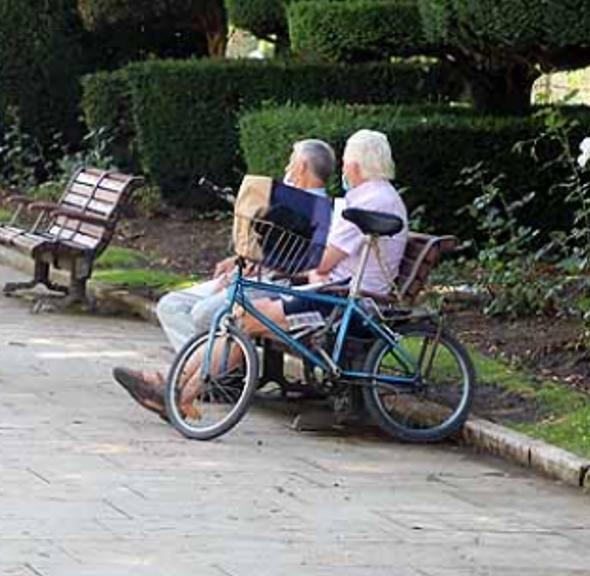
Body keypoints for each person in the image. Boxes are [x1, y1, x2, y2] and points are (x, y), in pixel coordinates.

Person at [168, 129, 407, 419]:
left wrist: (314, 273)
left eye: (345, 162)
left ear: (355, 165)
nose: (342, 169)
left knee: (245, 320)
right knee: (245, 319)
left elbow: (323, 263)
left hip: (344, 302)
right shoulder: (377, 195)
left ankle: (180, 392)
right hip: (335, 294)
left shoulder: (367, 200)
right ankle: (179, 391)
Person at [112, 138, 336, 415]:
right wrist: (241, 261)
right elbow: (261, 245)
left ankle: (195, 379)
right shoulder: (287, 199)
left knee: (204, 314)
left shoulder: (318, 210)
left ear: (302, 166)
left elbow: (310, 264)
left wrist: (261, 264)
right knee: (171, 305)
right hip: (249, 276)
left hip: (272, 286)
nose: (288, 166)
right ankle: (202, 376)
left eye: (292, 160)